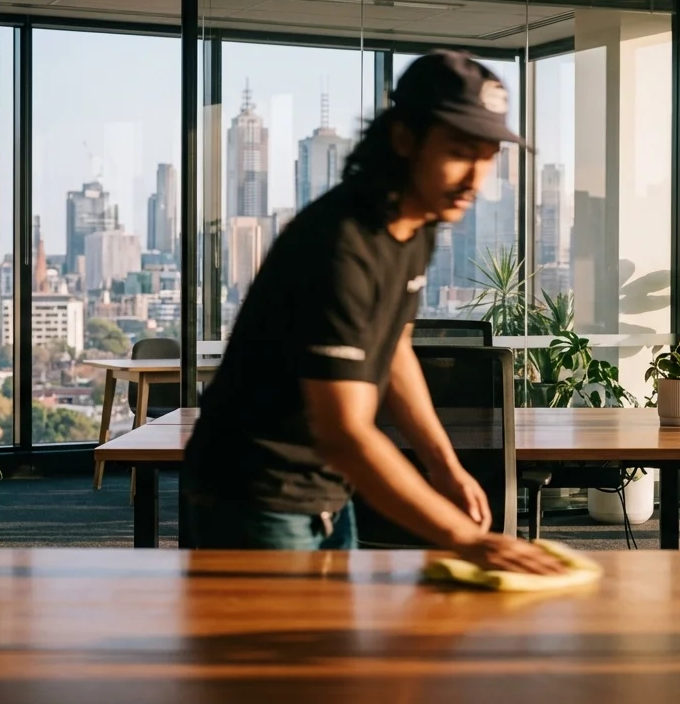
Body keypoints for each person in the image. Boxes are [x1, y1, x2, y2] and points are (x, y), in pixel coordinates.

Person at [183, 51, 565, 575]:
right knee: (274, 653)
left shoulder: (416, 226)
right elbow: (344, 431)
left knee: (334, 647)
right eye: (458, 152)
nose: (475, 177)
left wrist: (443, 463)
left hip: (328, 490)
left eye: (488, 155)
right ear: (404, 140)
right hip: (256, 492)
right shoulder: (341, 244)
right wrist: (464, 539)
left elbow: (394, 346)